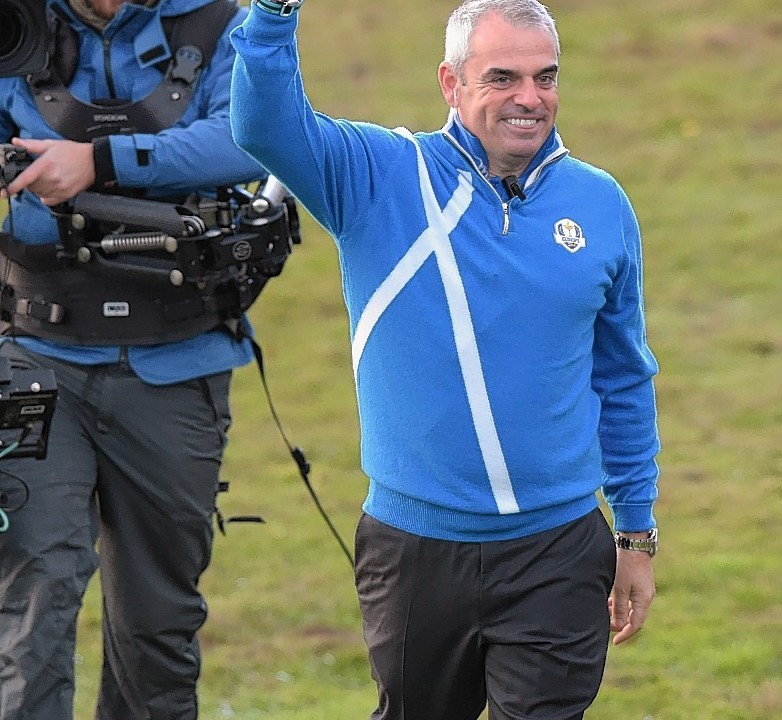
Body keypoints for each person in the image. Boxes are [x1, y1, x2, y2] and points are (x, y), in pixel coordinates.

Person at [231, 0, 661, 717]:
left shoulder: (600, 203)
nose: (529, 98)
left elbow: (623, 378)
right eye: (502, 78)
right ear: (451, 84)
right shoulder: (378, 176)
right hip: (413, 553)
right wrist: (273, 15)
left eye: (545, 77)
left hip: (556, 550)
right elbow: (264, 125)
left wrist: (637, 531)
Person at [0, 0, 274, 718]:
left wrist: (99, 161)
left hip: (177, 361)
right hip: (35, 356)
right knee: (36, 602)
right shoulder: (12, 23)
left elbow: (253, 137)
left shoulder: (223, 25)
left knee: (156, 625)